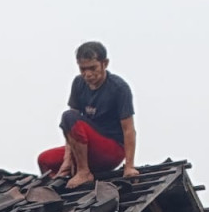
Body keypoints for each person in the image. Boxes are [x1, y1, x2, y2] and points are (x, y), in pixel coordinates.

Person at [38, 41, 139, 188]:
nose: (88, 74)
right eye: (83, 69)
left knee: (69, 116)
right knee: (45, 160)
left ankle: (83, 172)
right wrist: (67, 160)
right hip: (85, 148)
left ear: (105, 64)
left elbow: (129, 130)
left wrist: (129, 166)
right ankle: (59, 188)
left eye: (93, 68)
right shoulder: (78, 84)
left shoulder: (119, 88)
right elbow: (71, 130)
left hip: (111, 149)